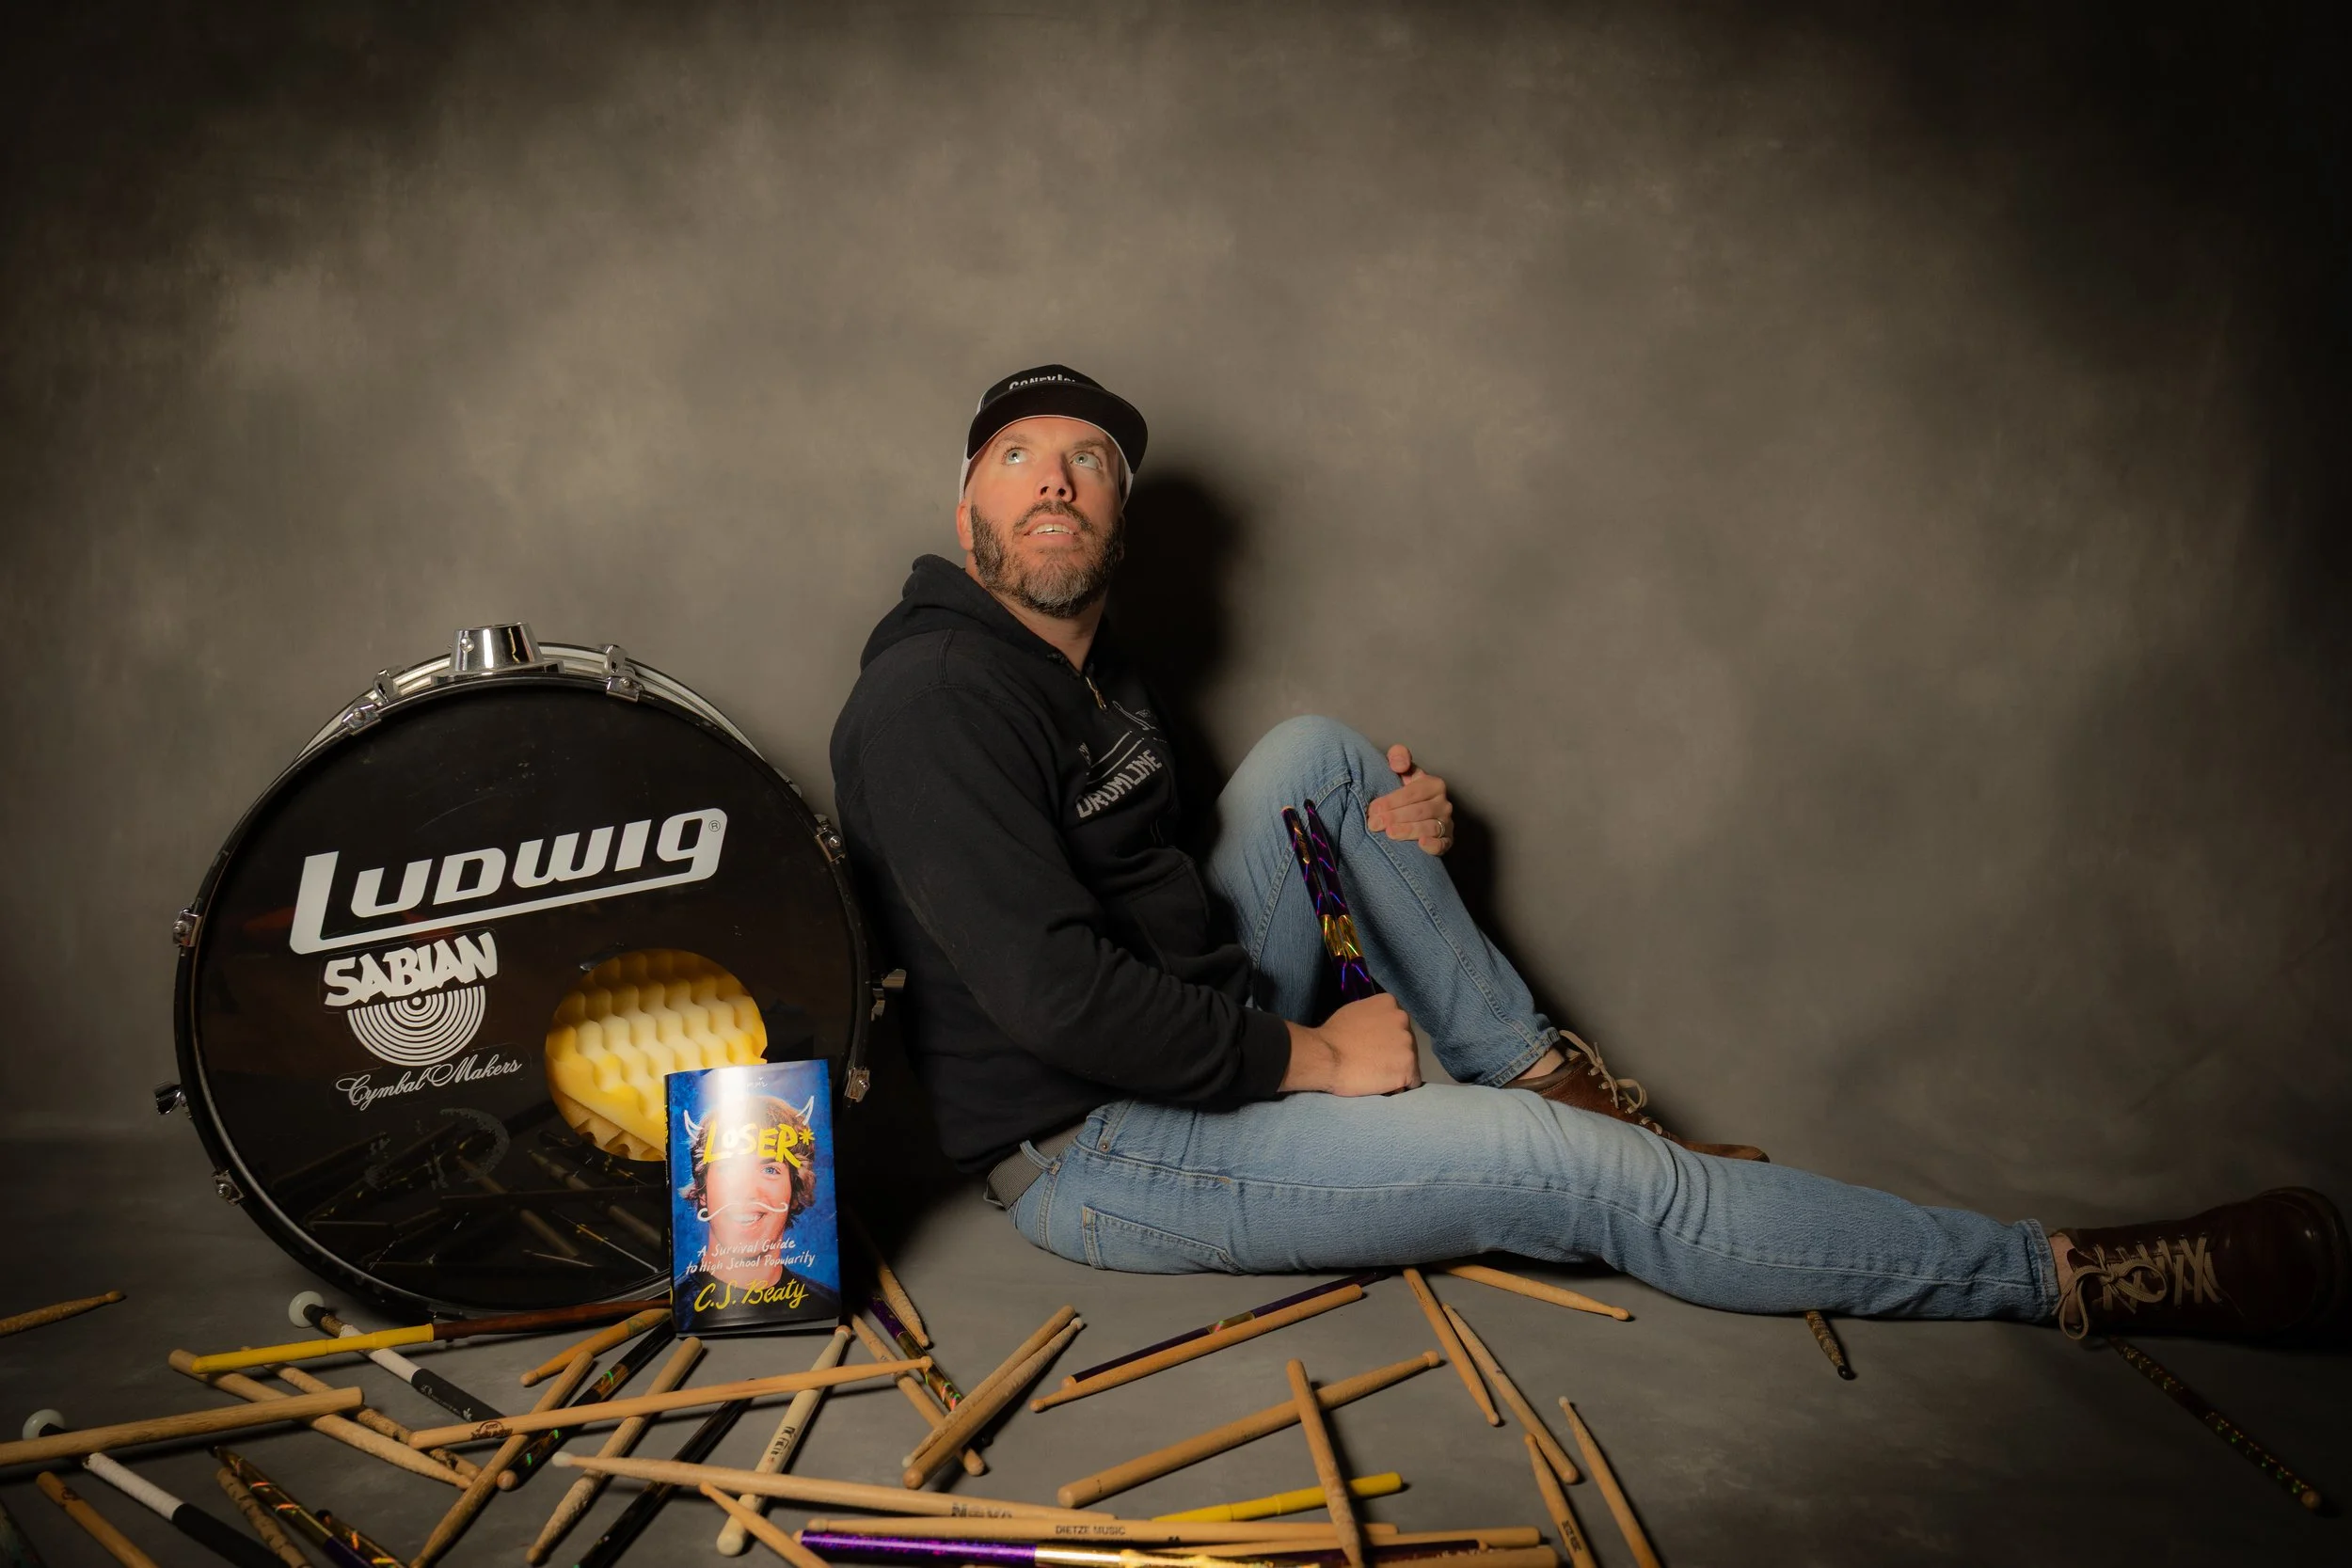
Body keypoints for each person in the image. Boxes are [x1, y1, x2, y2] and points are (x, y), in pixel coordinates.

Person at [829, 364, 2347, 1342]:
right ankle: (2060, 1273)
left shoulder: (1088, 674)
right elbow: (1055, 998)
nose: (1052, 477)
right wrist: (1318, 1058)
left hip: (1185, 1035)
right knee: (1585, 1182)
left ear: (1120, 508)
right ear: (963, 505)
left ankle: (1543, 1061)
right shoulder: (938, 696)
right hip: (1102, 1143)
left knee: (1322, 762)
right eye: (1017, 454)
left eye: (1087, 458)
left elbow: (1154, 884)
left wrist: (1372, 848)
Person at [674, 1093, 842, 1328]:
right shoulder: (677, 1313)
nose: (747, 1191)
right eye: (729, 1168)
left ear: (794, 1192)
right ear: (702, 1191)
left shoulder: (826, 1306)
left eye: (770, 1170)